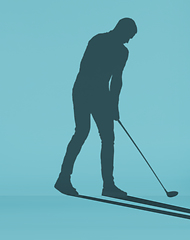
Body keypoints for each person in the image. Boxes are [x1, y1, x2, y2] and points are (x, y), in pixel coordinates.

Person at [55, 18, 137, 198]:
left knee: (107, 138)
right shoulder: (98, 40)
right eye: (129, 36)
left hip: (101, 96)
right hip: (84, 91)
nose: (128, 41)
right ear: (121, 30)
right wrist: (107, 100)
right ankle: (63, 179)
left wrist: (114, 105)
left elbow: (117, 80)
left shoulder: (122, 51)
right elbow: (86, 69)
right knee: (83, 132)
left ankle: (108, 185)